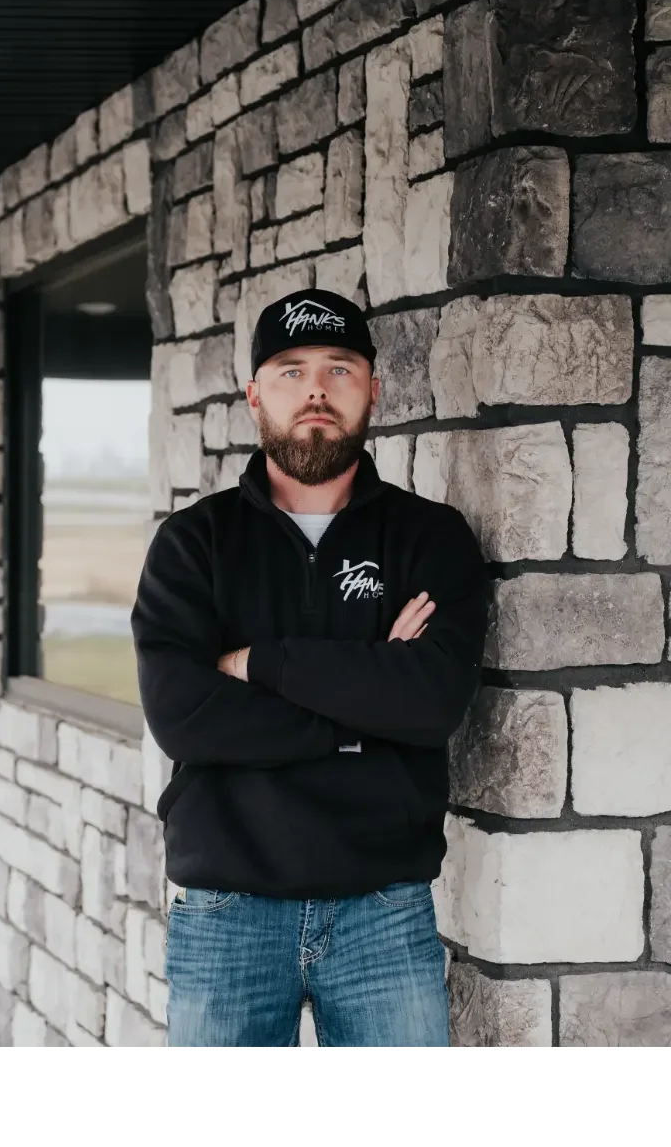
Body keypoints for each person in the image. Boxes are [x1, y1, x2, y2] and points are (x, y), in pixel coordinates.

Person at [131, 288, 490, 1050]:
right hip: (228, 912)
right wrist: (366, 709)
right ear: (255, 395)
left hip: (382, 912)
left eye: (339, 368)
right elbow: (184, 719)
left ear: (373, 391)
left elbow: (430, 704)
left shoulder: (430, 538)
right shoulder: (195, 544)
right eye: (291, 371)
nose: (316, 389)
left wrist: (258, 662)